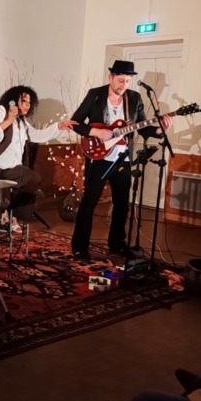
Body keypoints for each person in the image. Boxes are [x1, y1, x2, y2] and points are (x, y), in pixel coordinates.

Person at [70, 60, 171, 258]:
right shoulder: (95, 95)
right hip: (98, 157)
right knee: (89, 202)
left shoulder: (134, 98)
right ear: (110, 77)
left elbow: (142, 128)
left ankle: (117, 244)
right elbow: (75, 123)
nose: (123, 85)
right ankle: (80, 247)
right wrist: (96, 132)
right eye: (120, 80)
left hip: (122, 158)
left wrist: (160, 130)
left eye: (127, 81)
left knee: (122, 205)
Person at [0, 86, 76, 262]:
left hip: (8, 168)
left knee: (31, 178)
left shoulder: (22, 122)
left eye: (29, 102)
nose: (27, 105)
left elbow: (36, 135)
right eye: (23, 100)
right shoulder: (0, 111)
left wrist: (58, 127)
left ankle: (11, 212)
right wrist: (8, 120)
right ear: (13, 100)